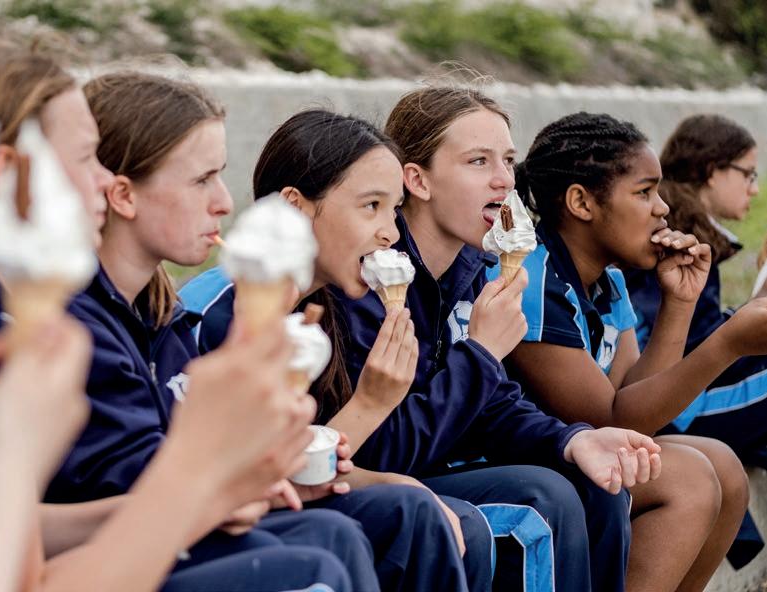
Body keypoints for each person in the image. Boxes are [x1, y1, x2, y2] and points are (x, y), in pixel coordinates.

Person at [0, 37, 355, 592]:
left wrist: (213, 490)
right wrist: (203, 475)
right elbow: (13, 575)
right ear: (7, 170)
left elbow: (11, 539)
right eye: (85, 159)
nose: (105, 179)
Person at [184, 101, 661, 592]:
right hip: (246, 512)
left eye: (508, 161)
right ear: (420, 181)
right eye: (479, 161)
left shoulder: (455, 273)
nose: (504, 180)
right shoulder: (319, 298)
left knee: (594, 486)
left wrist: (570, 439)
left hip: (359, 478)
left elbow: (488, 407)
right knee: (519, 502)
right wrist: (471, 360)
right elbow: (352, 453)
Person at [56, 72, 470, 592]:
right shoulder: (202, 315)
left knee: (410, 511)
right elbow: (154, 483)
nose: (224, 202)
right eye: (202, 180)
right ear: (122, 194)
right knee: (333, 545)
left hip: (192, 522)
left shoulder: (173, 318)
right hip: (128, 555)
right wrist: (375, 402)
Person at [503, 111, 767, 591]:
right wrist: (728, 343)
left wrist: (679, 303)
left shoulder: (609, 281)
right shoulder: (532, 278)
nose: (662, 208)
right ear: (581, 202)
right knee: (689, 478)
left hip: (585, 453)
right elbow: (610, 419)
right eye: (644, 193)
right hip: (514, 461)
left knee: (725, 467)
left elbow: (639, 404)